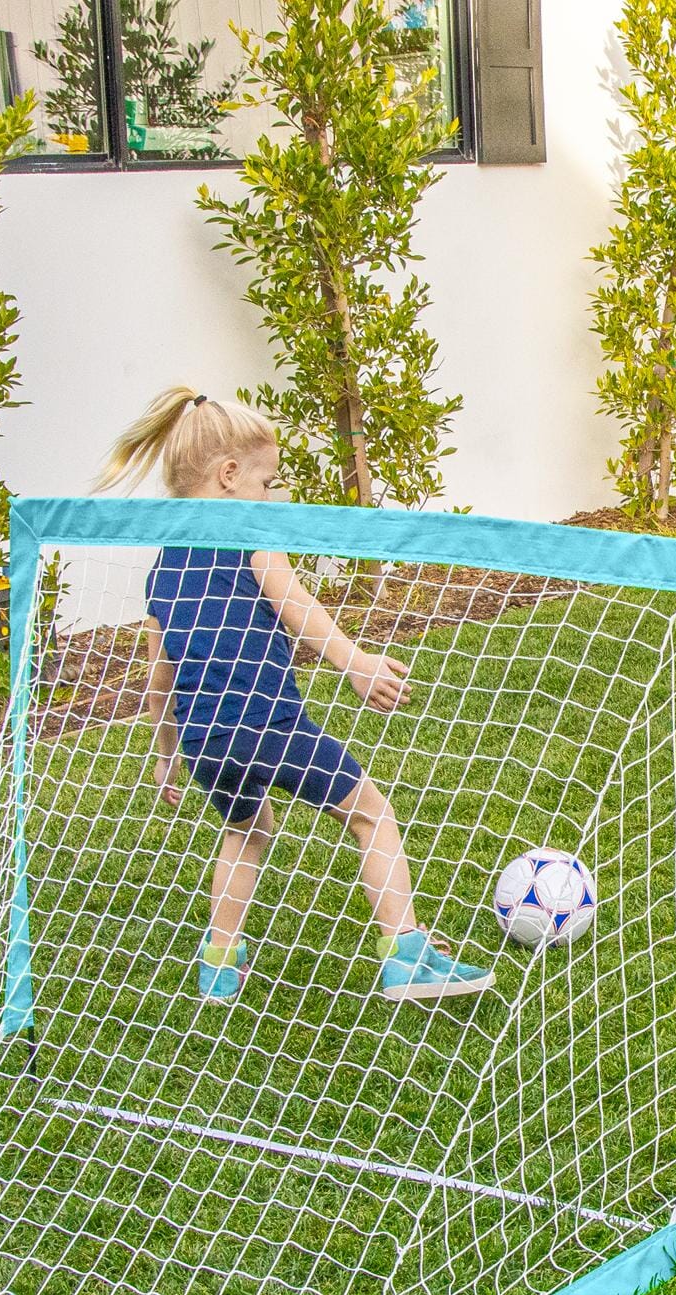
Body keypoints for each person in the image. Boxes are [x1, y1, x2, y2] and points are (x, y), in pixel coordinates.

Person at [96, 386, 493, 1004]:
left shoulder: (163, 567)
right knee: (372, 814)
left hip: (205, 743)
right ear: (229, 476)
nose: (270, 496)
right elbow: (298, 606)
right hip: (268, 726)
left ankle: (219, 964)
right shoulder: (250, 534)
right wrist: (356, 663)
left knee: (246, 830)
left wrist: (167, 755)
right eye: (266, 482)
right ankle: (407, 954)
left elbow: (158, 681)